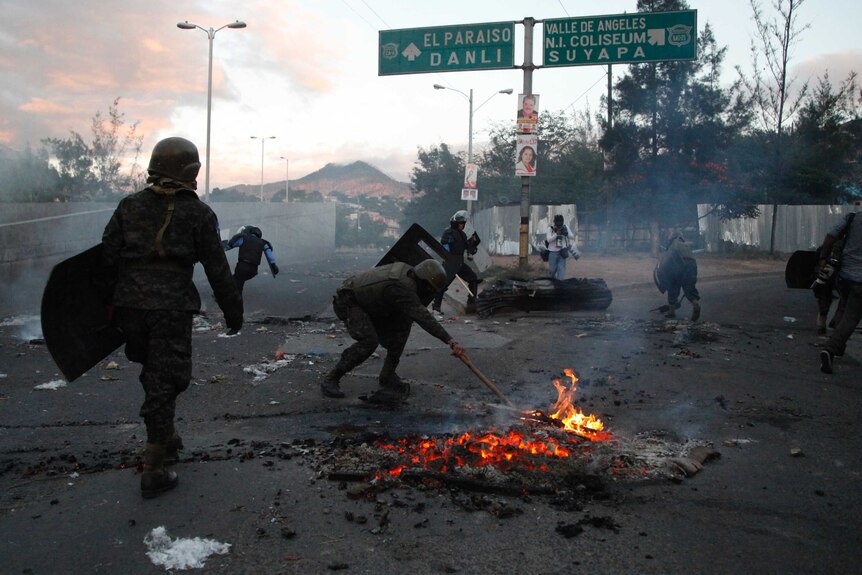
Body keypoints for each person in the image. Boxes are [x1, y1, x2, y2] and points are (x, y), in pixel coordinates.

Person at [101, 137, 243, 498]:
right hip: (171, 307)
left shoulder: (128, 206)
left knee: (153, 373)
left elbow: (107, 258)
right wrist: (233, 310)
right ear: (188, 172)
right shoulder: (198, 213)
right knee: (169, 377)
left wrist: (109, 304)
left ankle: (166, 436)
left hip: (130, 306)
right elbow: (217, 268)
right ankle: (154, 466)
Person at [322, 259, 465, 405]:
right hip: (349, 302)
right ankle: (332, 378)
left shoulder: (408, 271)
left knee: (403, 325)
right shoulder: (401, 286)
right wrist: (449, 340)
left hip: (371, 303)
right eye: (429, 288)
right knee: (369, 342)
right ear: (423, 281)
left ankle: (388, 375)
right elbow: (423, 317)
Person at [818, 211, 861, 374]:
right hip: (860, 281)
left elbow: (830, 235)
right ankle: (830, 349)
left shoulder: (852, 218)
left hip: (844, 277)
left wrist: (823, 257)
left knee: (844, 308)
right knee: (852, 317)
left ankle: (840, 344)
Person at [432, 210, 481, 315]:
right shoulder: (448, 232)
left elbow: (466, 246)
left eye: (463, 224)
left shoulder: (462, 234)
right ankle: (436, 308)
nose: (462, 225)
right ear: (455, 223)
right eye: (460, 223)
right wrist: (448, 251)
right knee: (442, 284)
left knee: (473, 278)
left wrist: (472, 242)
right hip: (450, 263)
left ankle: (472, 304)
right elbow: (444, 247)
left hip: (459, 263)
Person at [655, 231, 701, 321]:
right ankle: (696, 304)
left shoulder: (672, 247)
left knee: (672, 287)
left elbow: (666, 267)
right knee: (689, 288)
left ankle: (671, 312)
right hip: (691, 265)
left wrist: (666, 280)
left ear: (671, 239)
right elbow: (691, 260)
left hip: (676, 263)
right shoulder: (686, 246)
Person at [223, 225, 278, 295]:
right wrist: (274, 267)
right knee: (235, 281)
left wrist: (222, 247)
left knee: (238, 286)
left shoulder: (243, 238)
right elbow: (270, 257)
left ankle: (232, 301)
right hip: (253, 270)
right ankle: (222, 295)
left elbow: (228, 246)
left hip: (242, 267)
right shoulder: (263, 243)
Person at [545, 214, 579, 280]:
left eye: (560, 223)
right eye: (558, 224)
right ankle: (552, 283)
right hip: (553, 252)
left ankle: (560, 284)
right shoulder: (550, 229)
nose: (559, 226)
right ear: (554, 222)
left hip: (562, 251)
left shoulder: (565, 227)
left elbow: (572, 236)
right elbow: (548, 240)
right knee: (552, 270)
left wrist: (565, 234)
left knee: (561, 269)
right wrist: (556, 234)